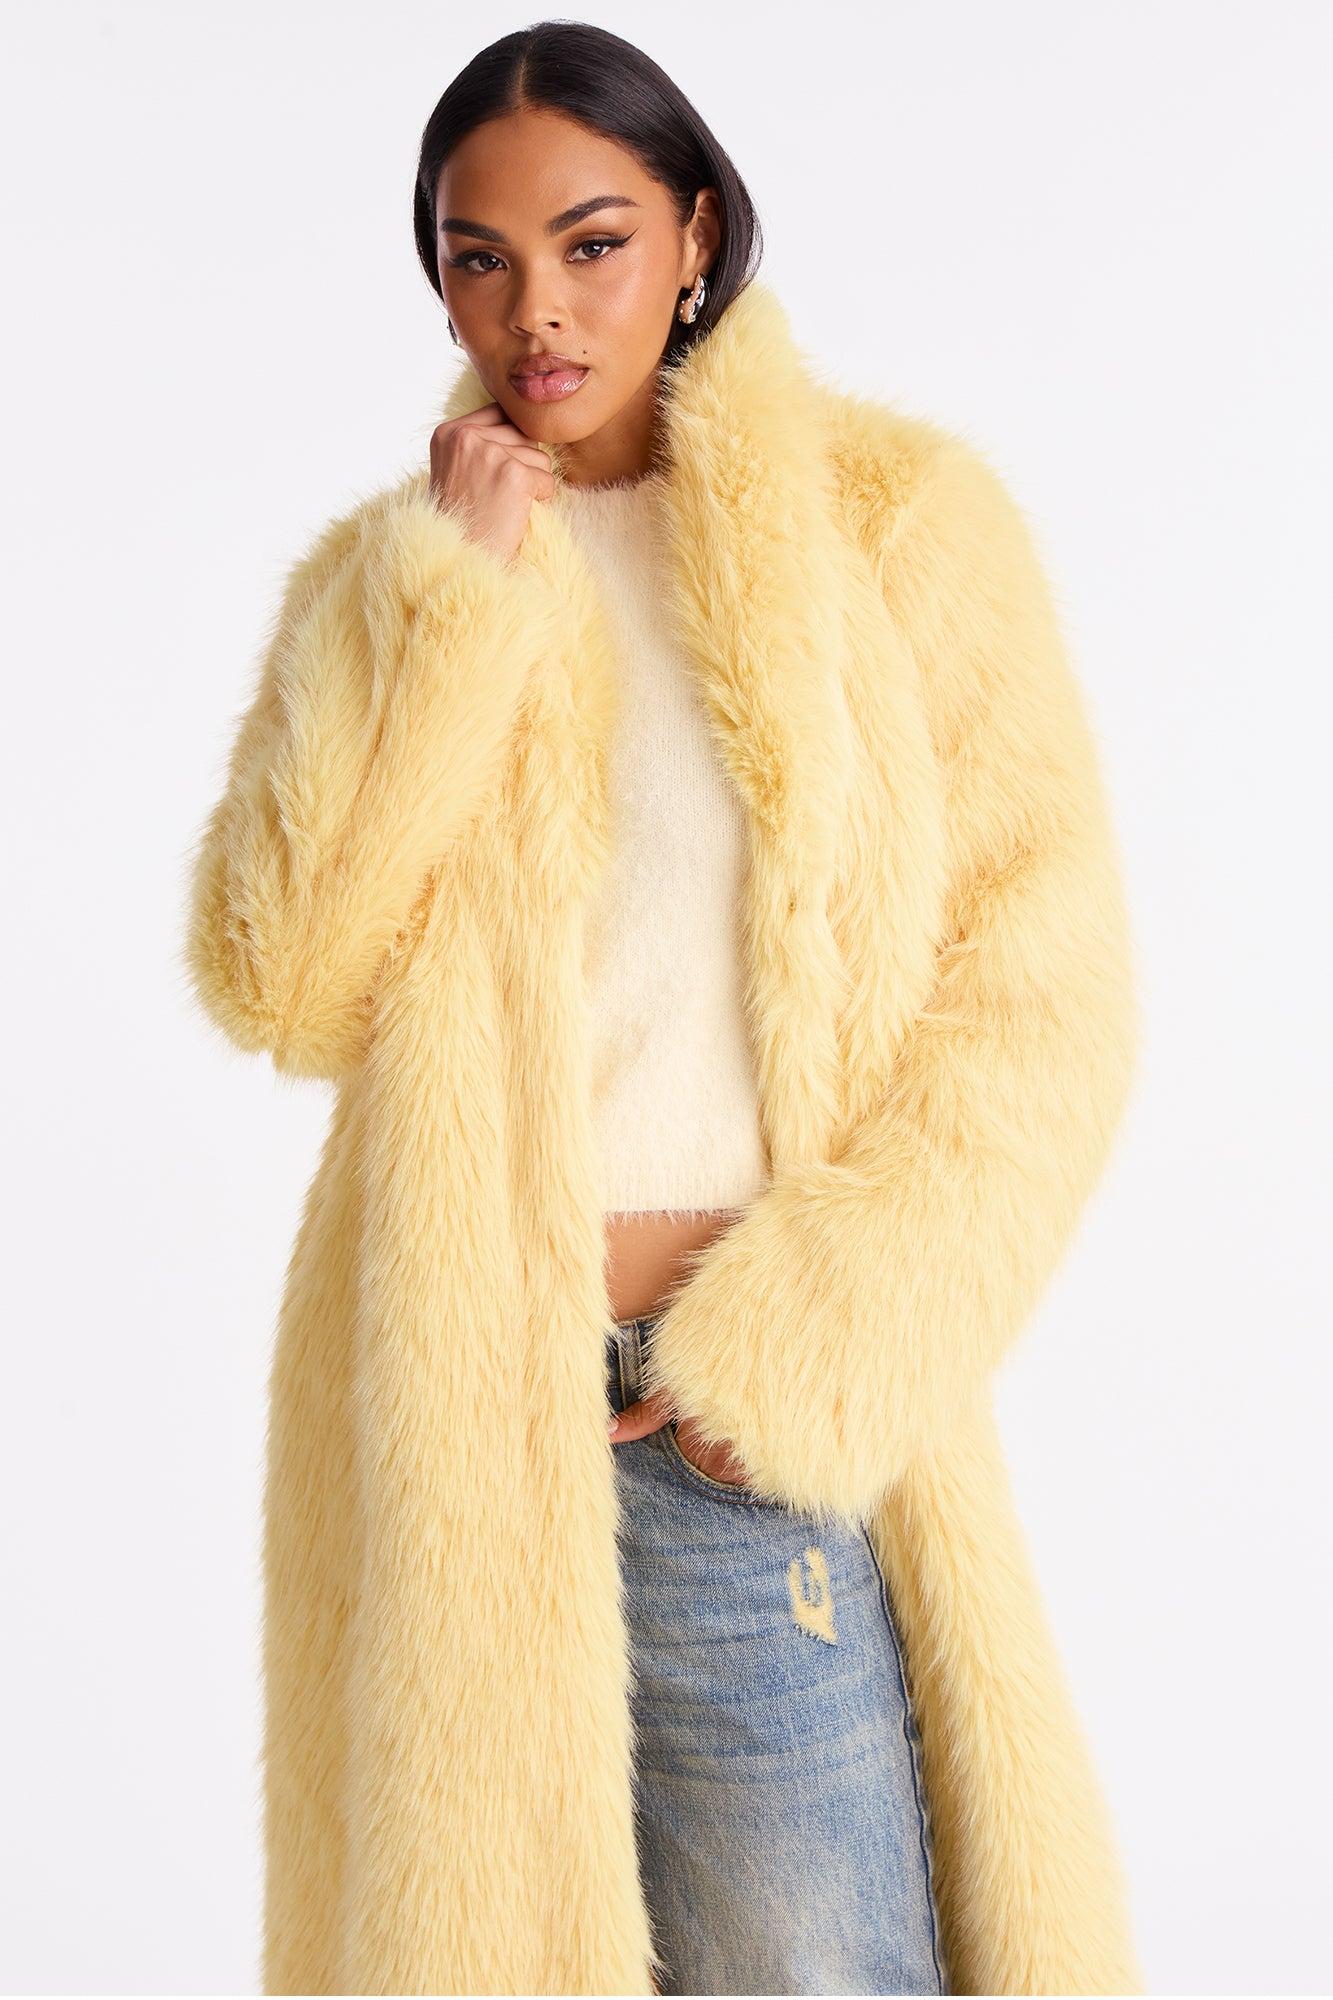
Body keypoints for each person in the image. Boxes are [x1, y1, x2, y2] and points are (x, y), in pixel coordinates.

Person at [183, 20, 1143, 1997]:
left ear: (695, 236)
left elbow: (1043, 995)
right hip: (470, 1431)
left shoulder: (893, 526)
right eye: (478, 257)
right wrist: (449, 605)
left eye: (592, 243)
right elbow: (284, 980)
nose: (533, 310)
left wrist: (785, 1362)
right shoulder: (392, 581)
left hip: (740, 1439)